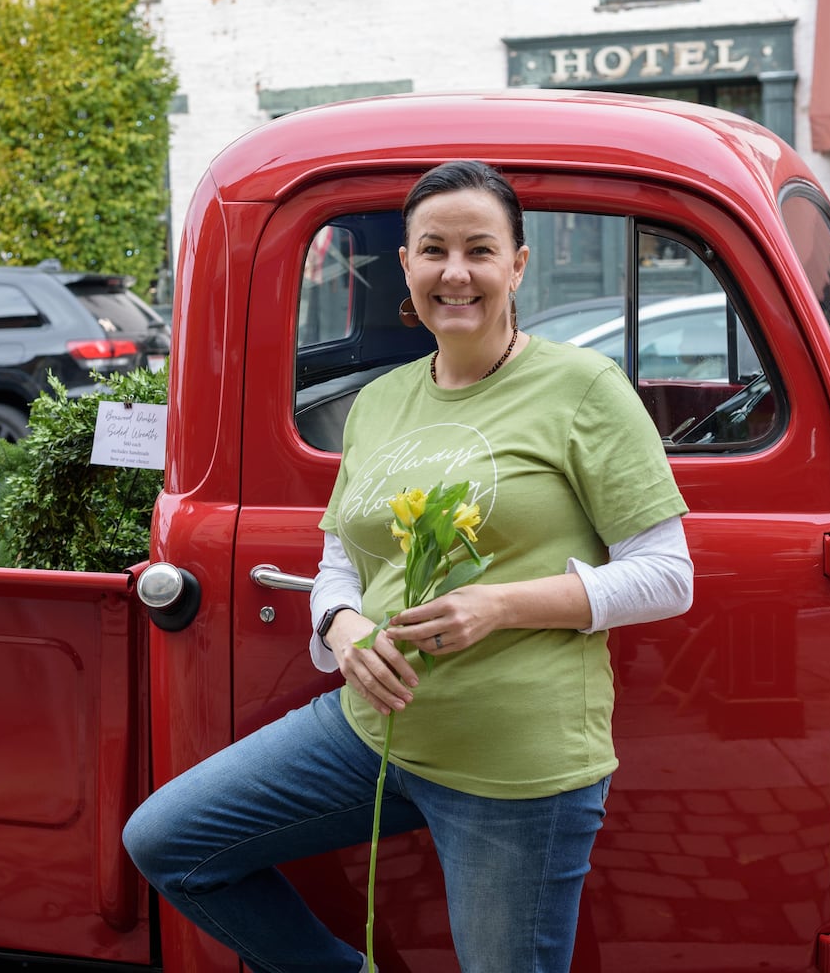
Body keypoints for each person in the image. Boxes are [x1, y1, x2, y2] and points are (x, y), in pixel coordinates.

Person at [123, 160, 694, 973]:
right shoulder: (382, 401)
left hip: (517, 768)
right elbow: (338, 561)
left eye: (479, 250)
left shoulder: (584, 388)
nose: (455, 272)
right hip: (370, 734)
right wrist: (343, 626)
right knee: (170, 841)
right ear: (406, 266)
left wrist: (498, 607)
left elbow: (668, 574)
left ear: (517, 264)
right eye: (433, 250)